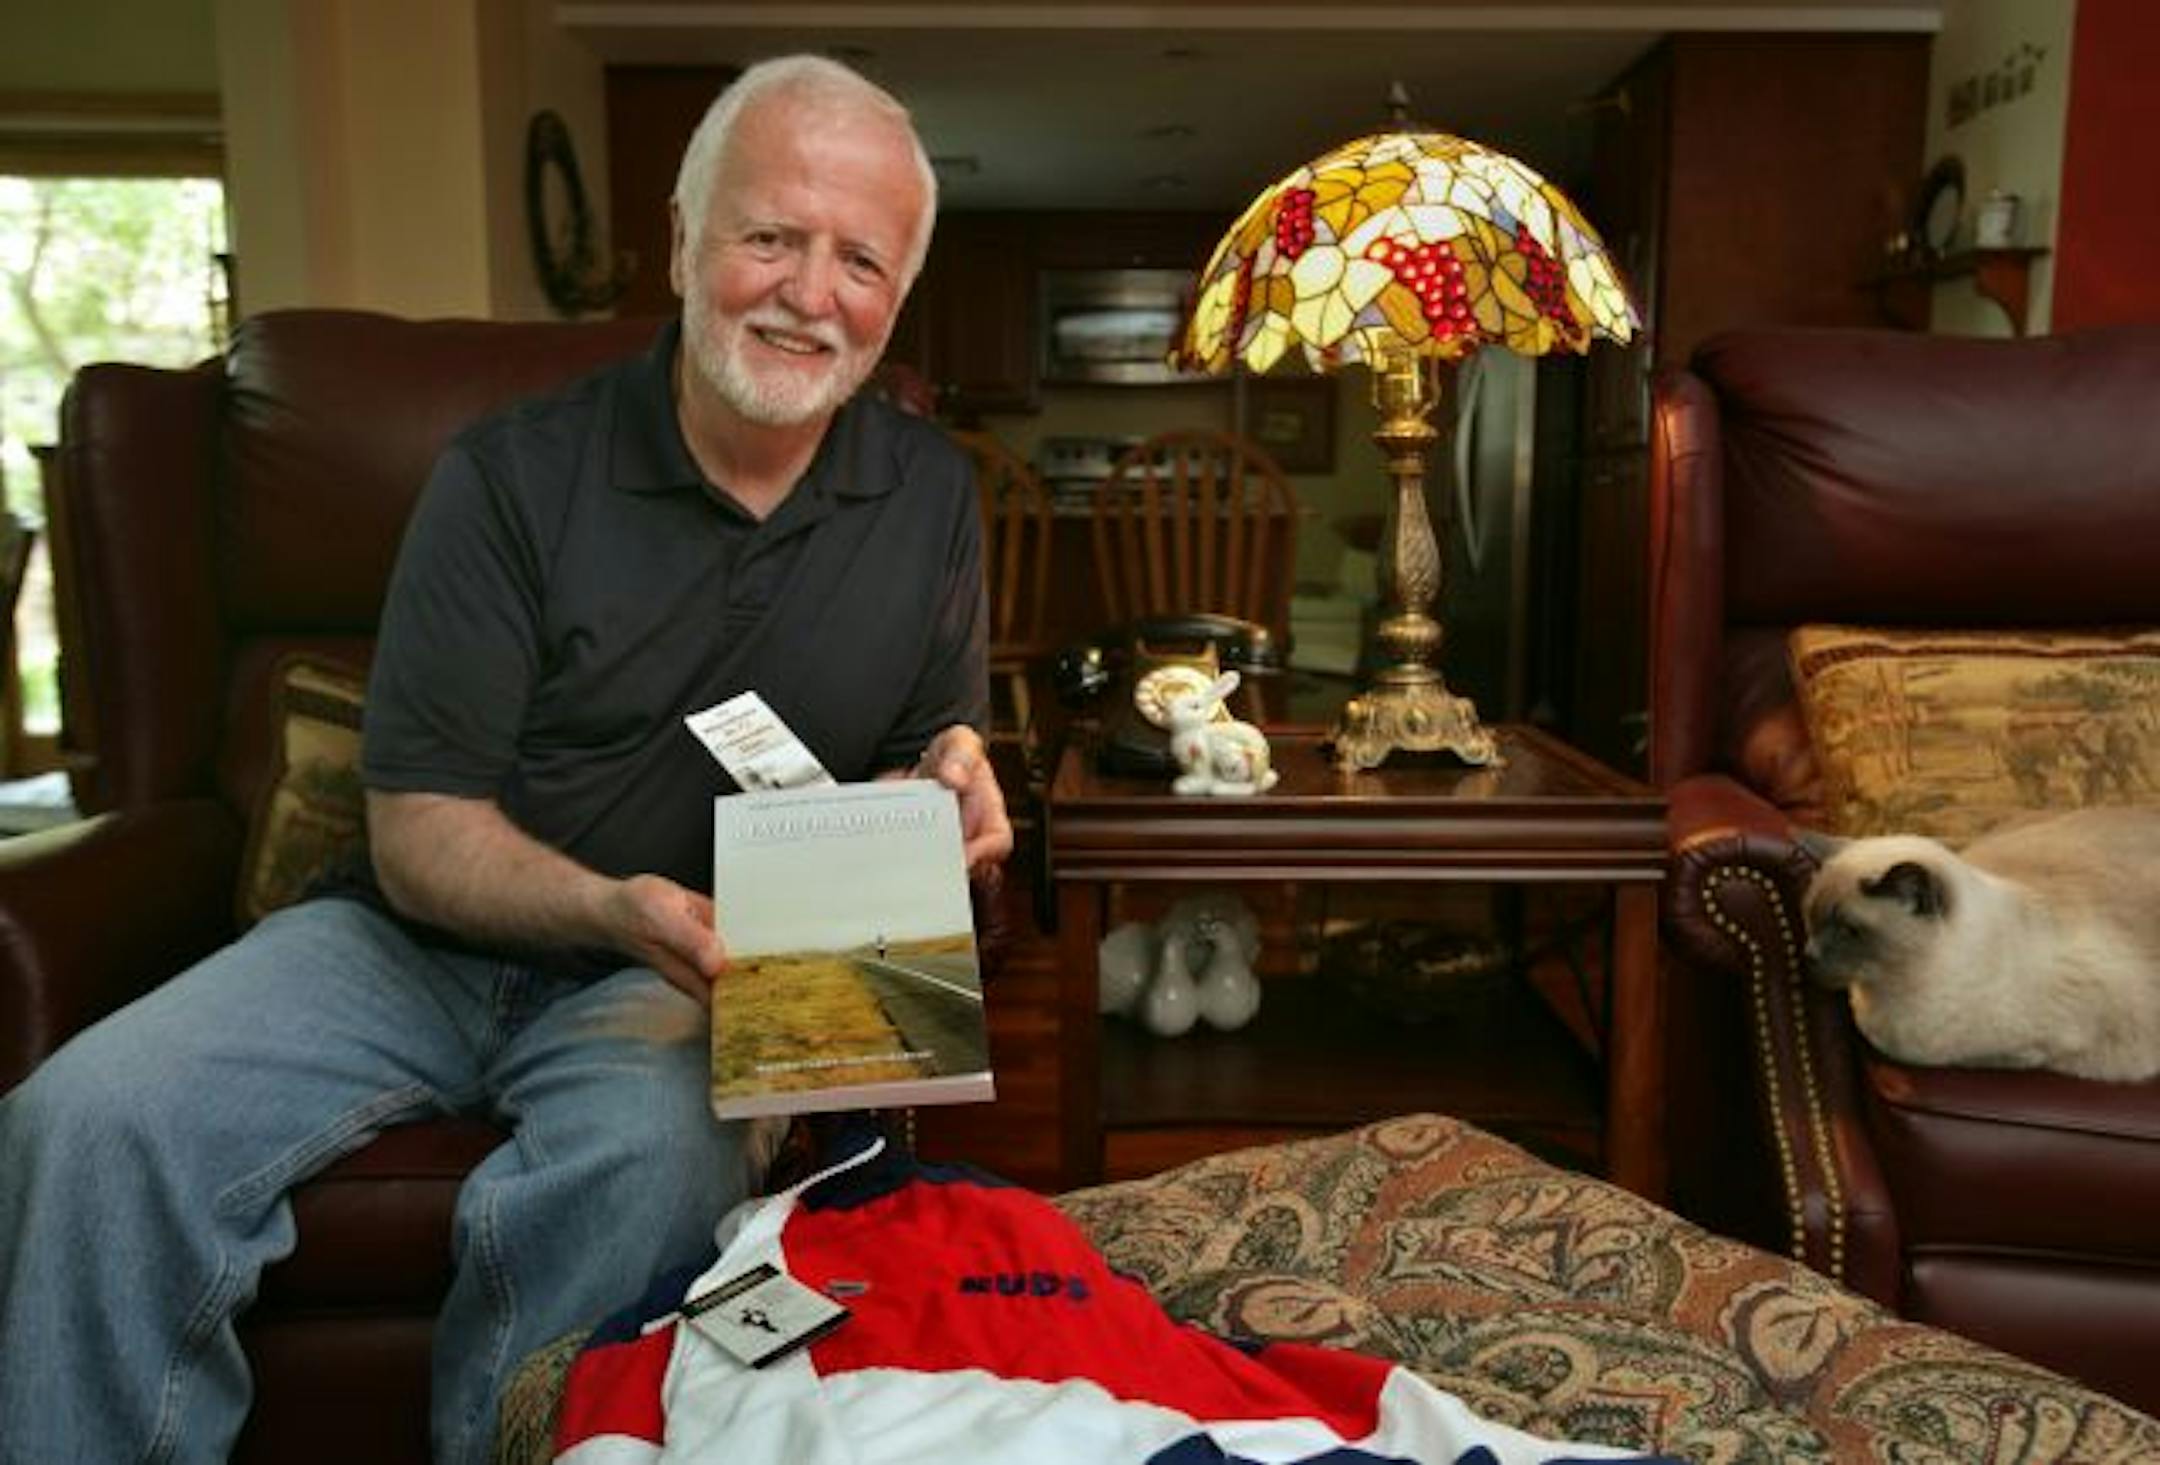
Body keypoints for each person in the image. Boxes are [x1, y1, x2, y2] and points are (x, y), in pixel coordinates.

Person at [0, 54, 1009, 1465]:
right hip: (406, 941)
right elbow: (416, 828)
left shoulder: (932, 499)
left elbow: (927, 746)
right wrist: (608, 904)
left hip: (688, 981)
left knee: (644, 1155)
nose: (809, 292)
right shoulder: (509, 477)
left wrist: (955, 774)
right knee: (81, 1122)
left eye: (860, 259)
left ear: (898, 294)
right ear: (680, 239)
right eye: (769, 236)